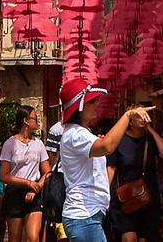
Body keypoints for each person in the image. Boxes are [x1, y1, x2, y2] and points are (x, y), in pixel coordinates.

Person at [49, 79, 145, 242]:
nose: (97, 103)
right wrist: (128, 115)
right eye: (92, 101)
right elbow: (107, 147)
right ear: (79, 107)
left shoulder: (80, 132)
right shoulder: (76, 134)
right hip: (84, 217)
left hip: (86, 216)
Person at [104, 103, 163, 242]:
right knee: (129, 238)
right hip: (124, 199)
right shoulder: (119, 141)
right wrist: (105, 196)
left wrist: (150, 130)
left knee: (144, 239)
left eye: (145, 116)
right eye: (139, 116)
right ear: (130, 121)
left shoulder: (150, 139)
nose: (143, 119)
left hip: (148, 198)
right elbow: (111, 168)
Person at [0, 104, 52, 242]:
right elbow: (3, 175)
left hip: (34, 191)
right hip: (15, 192)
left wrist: (37, 186)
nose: (37, 122)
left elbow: (47, 172)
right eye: (34, 118)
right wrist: (26, 182)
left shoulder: (38, 144)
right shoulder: (10, 144)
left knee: (33, 238)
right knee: (14, 238)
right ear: (25, 121)